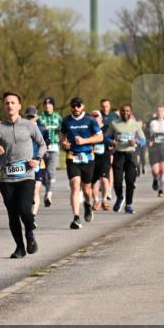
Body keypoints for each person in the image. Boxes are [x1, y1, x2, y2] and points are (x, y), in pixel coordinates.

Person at [0, 93, 47, 258]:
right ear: (4, 106)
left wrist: (37, 159)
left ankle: (29, 234)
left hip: (26, 176)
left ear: (19, 106)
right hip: (7, 178)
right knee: (13, 214)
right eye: (7, 103)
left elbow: (42, 145)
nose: (10, 106)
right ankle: (20, 248)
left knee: (24, 209)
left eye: (13, 103)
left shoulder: (29, 125)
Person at [60, 97, 103, 229]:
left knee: (86, 189)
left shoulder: (90, 120)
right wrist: (64, 144)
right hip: (72, 156)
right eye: (73, 105)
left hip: (87, 157)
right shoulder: (66, 120)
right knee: (75, 185)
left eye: (78, 105)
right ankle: (76, 218)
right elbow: (62, 137)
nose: (76, 108)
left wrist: (84, 141)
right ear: (70, 107)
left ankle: (87, 204)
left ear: (83, 106)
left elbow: (100, 136)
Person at [104, 103, 146, 214]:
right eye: (123, 111)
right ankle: (119, 197)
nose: (125, 113)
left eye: (127, 111)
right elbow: (106, 137)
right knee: (117, 181)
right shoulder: (114, 124)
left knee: (130, 181)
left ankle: (128, 204)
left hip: (131, 154)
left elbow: (143, 140)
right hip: (118, 154)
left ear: (131, 112)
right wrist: (111, 141)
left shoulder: (135, 124)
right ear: (120, 112)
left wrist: (136, 142)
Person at [24, 106, 50, 227]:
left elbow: (46, 145)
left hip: (39, 162)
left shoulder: (43, 129)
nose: (30, 119)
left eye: (32, 117)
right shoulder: (20, 129)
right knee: (26, 191)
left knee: (36, 189)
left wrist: (39, 157)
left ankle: (33, 217)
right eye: (28, 116)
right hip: (24, 163)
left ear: (37, 117)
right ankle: (28, 213)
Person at [38, 97, 63, 207]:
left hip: (54, 148)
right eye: (46, 104)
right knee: (43, 173)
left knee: (50, 172)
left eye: (50, 104)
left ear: (53, 106)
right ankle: (47, 187)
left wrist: (63, 142)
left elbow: (63, 131)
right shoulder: (40, 118)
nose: (47, 106)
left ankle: (49, 194)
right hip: (42, 148)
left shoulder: (57, 117)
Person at [88, 110, 112, 211]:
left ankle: (104, 200)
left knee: (104, 179)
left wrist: (111, 144)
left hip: (105, 156)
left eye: (96, 116)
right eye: (92, 117)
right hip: (93, 158)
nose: (94, 118)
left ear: (101, 118)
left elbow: (112, 139)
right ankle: (96, 200)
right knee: (94, 182)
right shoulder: (89, 129)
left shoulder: (107, 128)